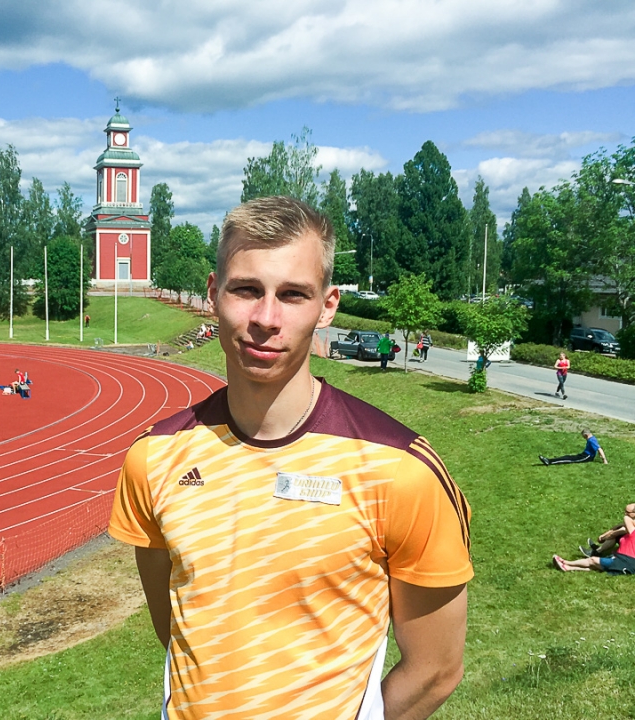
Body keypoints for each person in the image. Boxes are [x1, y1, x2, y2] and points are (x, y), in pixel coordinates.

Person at [109, 196, 472, 720]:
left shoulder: (401, 470)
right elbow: (177, 629)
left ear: (327, 306)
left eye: (293, 294)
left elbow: (436, 669)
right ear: (213, 294)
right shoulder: (153, 457)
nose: (266, 318)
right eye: (246, 289)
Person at [554, 504, 635, 575]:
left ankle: (565, 562)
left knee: (592, 560)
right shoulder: (630, 529)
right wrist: (604, 535)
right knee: (595, 566)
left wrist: (603, 537)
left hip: (626, 561)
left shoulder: (632, 530)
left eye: (627, 512)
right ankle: (568, 567)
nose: (625, 514)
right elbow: (617, 527)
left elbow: (625, 519)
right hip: (622, 558)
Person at [539, 430, 608, 466]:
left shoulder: (591, 440)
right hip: (584, 454)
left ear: (586, 435)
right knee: (568, 456)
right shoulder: (593, 438)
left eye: (583, 437)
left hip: (587, 457)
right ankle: (549, 460)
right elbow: (598, 448)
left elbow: (599, 449)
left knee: (569, 460)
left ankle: (549, 462)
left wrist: (604, 460)